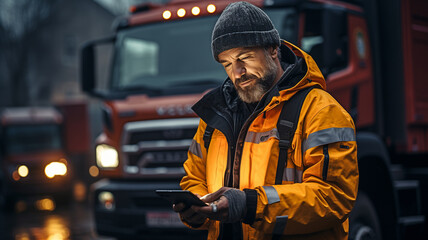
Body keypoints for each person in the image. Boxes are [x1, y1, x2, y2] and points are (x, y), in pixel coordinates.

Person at [173, 1, 359, 239]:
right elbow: (194, 178)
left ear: (273, 50)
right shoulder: (214, 115)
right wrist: (198, 208)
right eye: (227, 64)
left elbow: (334, 197)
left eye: (244, 58)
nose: (237, 72)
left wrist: (251, 206)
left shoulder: (321, 111)